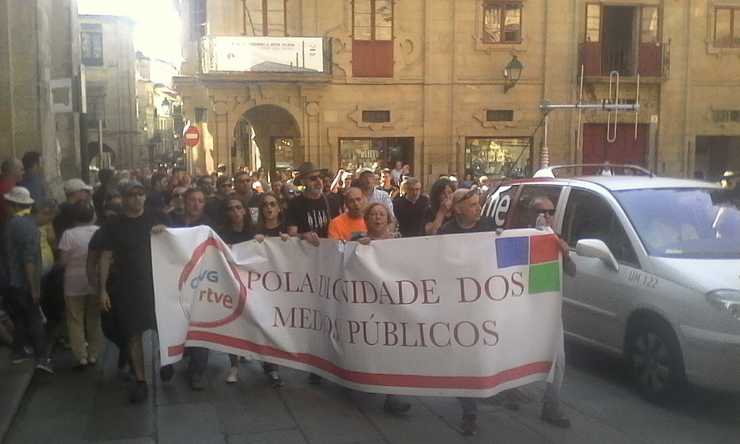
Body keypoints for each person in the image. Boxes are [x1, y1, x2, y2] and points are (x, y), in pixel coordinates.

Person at [98, 180, 171, 403]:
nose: (137, 198)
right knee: (133, 333)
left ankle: (167, 361)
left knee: (164, 328)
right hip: (126, 285)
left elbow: (174, 245)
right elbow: (106, 255)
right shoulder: (114, 224)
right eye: (131, 195)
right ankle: (141, 380)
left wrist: (165, 231)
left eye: (140, 194)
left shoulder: (156, 217)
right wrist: (102, 289)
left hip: (156, 283)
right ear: (124, 198)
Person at [356, 203, 412, 416]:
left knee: (391, 346)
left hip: (393, 302)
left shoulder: (399, 241)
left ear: (388, 219)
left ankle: (392, 395)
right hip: (367, 304)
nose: (377, 218)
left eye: (381, 214)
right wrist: (356, 248)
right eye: (373, 214)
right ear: (366, 218)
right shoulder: (357, 241)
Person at [3, 186, 53, 373]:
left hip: (12, 282)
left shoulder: (12, 224)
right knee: (34, 319)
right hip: (24, 283)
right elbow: (29, 261)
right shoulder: (29, 229)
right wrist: (34, 288)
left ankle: (18, 351)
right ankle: (42, 357)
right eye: (49, 218)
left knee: (21, 317)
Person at [170, 188, 215, 390]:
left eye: (200, 200)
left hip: (201, 281)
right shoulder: (173, 222)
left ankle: (197, 372)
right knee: (176, 322)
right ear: (185, 202)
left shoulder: (209, 225)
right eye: (192, 200)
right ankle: (170, 359)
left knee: (200, 324)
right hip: (176, 281)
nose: (196, 204)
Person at [58, 201, 101, 368]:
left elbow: (63, 262)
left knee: (75, 319)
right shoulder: (98, 232)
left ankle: (81, 356)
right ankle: (93, 354)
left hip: (72, 283)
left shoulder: (68, 235)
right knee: (93, 318)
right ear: (93, 215)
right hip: (94, 280)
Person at [286, 162, 339, 244]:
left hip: (328, 251)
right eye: (313, 178)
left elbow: (339, 228)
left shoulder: (332, 201)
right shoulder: (295, 204)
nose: (319, 181)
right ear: (303, 182)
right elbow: (291, 234)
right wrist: (303, 236)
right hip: (305, 253)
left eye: (320, 177)